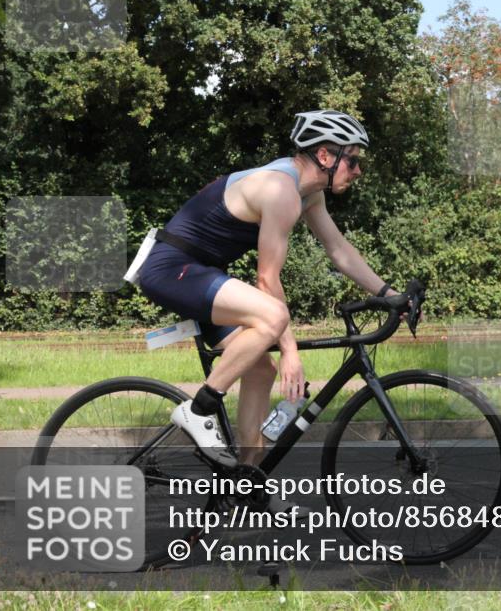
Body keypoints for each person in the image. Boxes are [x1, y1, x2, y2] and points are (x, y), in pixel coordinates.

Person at [138, 110, 397, 469]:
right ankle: (200, 409)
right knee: (273, 315)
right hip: (171, 269)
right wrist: (290, 352)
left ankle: (250, 480)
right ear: (325, 156)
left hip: (202, 272)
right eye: (352, 160)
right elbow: (266, 280)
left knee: (261, 371)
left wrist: (389, 294)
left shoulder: (308, 195)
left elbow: (339, 251)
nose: (357, 171)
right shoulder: (281, 189)